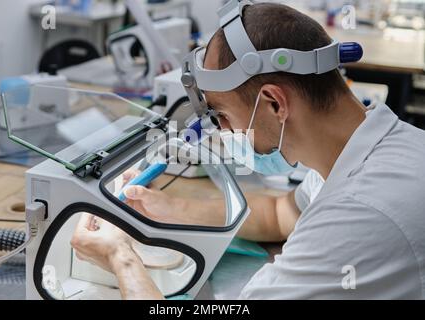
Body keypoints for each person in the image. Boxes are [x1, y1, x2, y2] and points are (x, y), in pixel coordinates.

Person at [71, 2, 425, 299]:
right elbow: (280, 215)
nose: (223, 132)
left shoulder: (357, 212)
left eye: (221, 115)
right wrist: (168, 209)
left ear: (274, 103)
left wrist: (121, 257)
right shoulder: (369, 145)